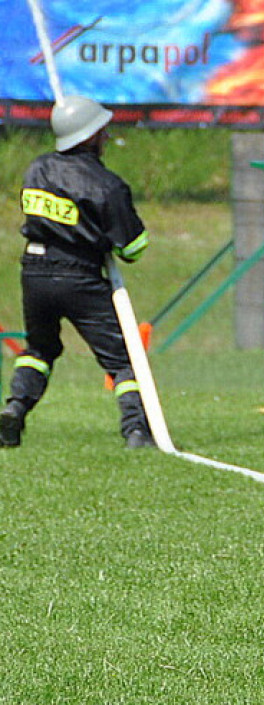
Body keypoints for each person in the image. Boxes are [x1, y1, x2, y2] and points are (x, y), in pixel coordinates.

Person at [0, 95, 154, 449]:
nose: (107, 136)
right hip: (79, 276)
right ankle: (136, 430)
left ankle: (15, 409)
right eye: (102, 130)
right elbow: (133, 248)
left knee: (39, 349)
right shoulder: (107, 185)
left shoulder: (37, 169)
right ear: (90, 136)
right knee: (123, 359)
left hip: (34, 272)